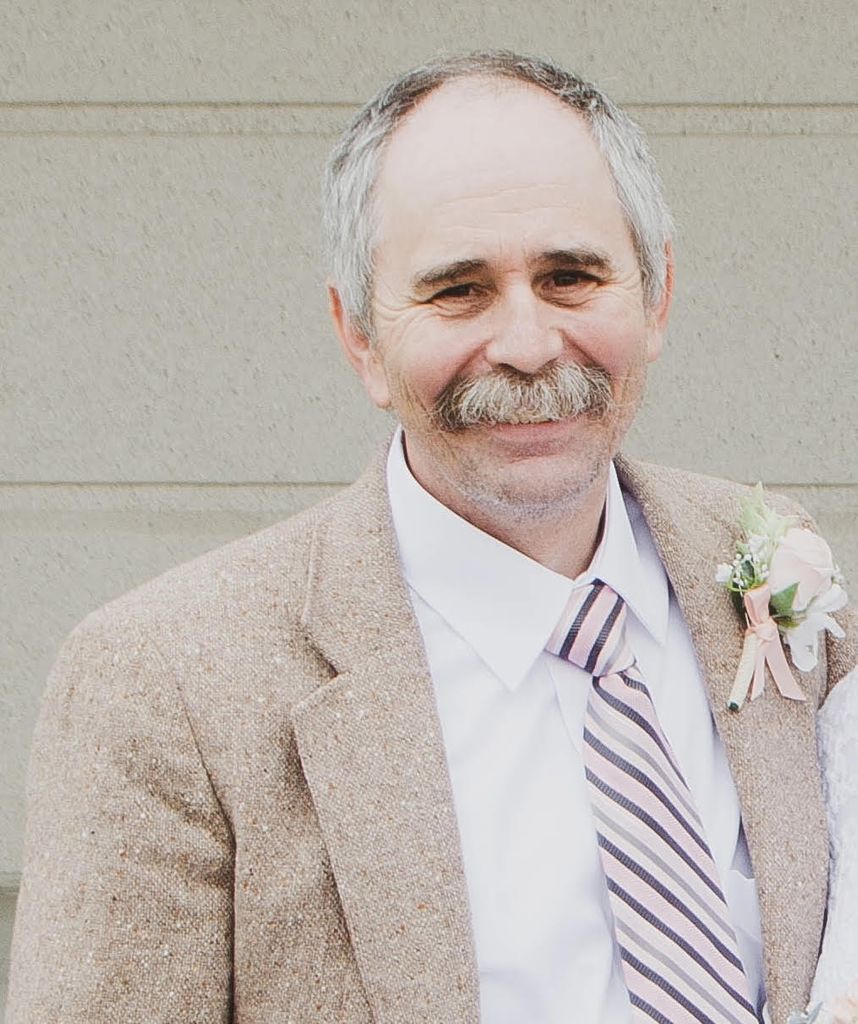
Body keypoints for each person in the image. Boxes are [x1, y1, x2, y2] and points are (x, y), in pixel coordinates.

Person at [7, 51, 856, 1024]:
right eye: (459, 290)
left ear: (655, 297)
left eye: (571, 276)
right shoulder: (164, 682)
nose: (528, 345)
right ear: (360, 336)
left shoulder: (765, 561)